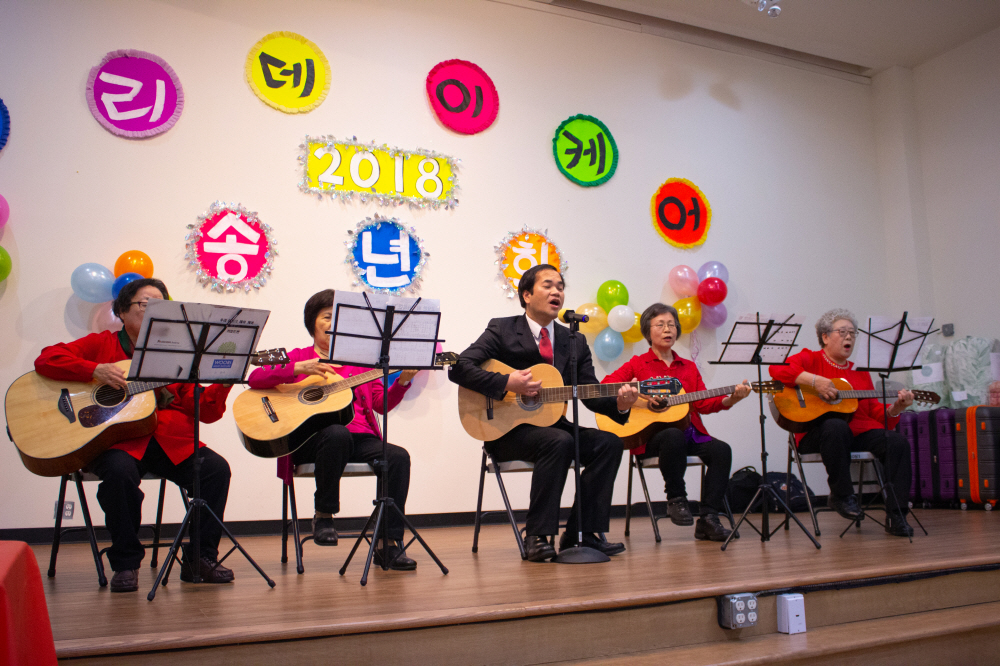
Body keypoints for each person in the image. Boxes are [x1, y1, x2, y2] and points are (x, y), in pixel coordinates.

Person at [34, 279, 235, 592]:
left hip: (168, 441)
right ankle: (126, 563)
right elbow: (46, 359)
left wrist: (225, 379)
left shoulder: (176, 356)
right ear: (122, 311)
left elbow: (205, 411)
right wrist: (94, 370)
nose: (154, 309)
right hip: (115, 441)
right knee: (119, 472)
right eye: (145, 303)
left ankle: (200, 557)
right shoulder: (101, 344)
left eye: (161, 304)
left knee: (215, 469)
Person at [449, 264, 638, 562]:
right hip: (506, 432)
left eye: (560, 287)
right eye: (548, 285)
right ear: (526, 295)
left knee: (609, 443)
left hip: (552, 427)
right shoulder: (502, 329)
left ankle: (583, 532)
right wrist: (506, 382)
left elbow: (588, 391)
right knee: (558, 441)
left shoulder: (574, 340)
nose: (556, 292)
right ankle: (536, 535)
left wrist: (621, 404)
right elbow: (459, 367)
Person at [247, 289, 419, 570]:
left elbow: (380, 405)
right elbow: (255, 374)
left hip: (360, 438)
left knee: (398, 457)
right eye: (327, 316)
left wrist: (402, 383)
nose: (334, 323)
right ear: (312, 323)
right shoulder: (296, 356)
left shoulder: (362, 364)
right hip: (310, 440)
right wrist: (297, 368)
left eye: (341, 318)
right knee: (337, 433)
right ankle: (324, 515)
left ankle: (388, 543)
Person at [603, 303, 750, 541]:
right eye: (660, 325)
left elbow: (704, 404)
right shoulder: (638, 364)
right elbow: (606, 385)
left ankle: (709, 518)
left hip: (689, 433)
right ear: (648, 331)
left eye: (671, 324)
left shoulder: (689, 367)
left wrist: (732, 398)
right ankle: (676, 498)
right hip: (651, 438)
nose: (667, 329)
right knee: (672, 435)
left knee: (721, 450)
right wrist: (638, 393)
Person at [769, 308, 916, 537]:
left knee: (897, 442)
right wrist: (815, 381)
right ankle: (842, 496)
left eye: (853, 332)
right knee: (836, 425)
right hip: (816, 434)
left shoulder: (860, 372)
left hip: (857, 434)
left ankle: (897, 516)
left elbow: (875, 413)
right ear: (825, 336)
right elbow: (776, 368)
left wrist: (897, 407)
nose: (849, 337)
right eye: (842, 331)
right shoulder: (811, 358)